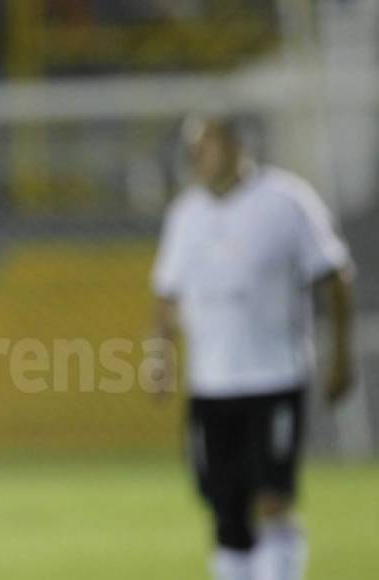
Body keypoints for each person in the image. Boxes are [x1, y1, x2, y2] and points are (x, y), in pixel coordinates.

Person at [151, 117, 354, 580]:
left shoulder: (287, 200)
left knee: (273, 499)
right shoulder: (185, 213)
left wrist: (339, 356)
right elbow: (167, 294)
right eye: (193, 150)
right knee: (225, 507)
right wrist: (159, 357)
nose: (197, 158)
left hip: (275, 379)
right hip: (211, 385)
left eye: (206, 147)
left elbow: (335, 276)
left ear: (236, 145)